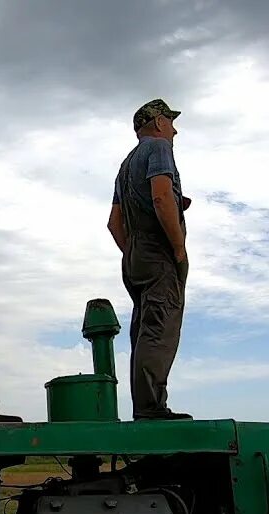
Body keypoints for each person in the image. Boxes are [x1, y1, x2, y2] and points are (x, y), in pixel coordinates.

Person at [107, 98, 192, 421]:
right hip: (158, 252)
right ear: (158, 123)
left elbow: (114, 223)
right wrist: (177, 245)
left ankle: (145, 405)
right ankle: (152, 408)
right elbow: (159, 195)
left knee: (144, 329)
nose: (175, 129)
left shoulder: (126, 164)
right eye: (171, 121)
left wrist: (132, 250)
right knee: (160, 327)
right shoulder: (158, 148)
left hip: (135, 256)